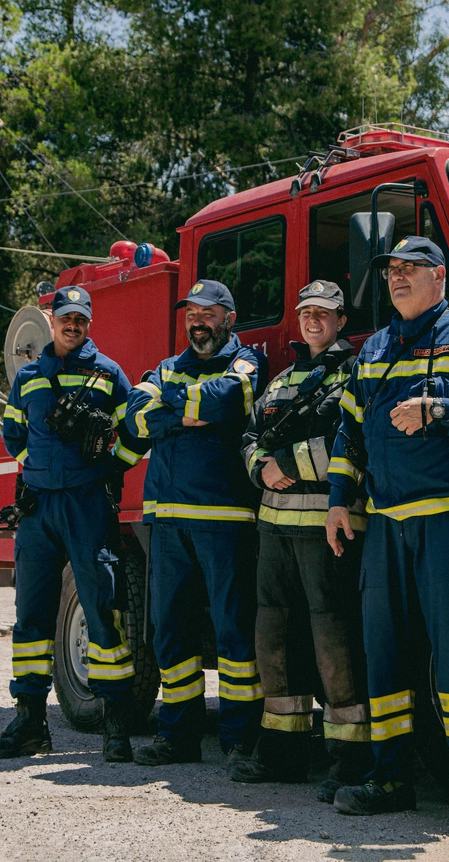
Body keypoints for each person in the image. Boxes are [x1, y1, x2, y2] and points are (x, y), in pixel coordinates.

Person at [325, 236, 449, 835]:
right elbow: (349, 428)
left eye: (411, 270)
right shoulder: (376, 346)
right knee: (382, 655)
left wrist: (439, 410)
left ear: (439, 278)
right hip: (385, 523)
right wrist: (339, 500)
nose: (397, 279)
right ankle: (389, 779)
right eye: (391, 271)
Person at [0, 286, 148, 762]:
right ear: (51, 321)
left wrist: (109, 465)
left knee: (102, 608)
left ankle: (115, 725)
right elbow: (13, 433)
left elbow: (137, 433)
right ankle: (30, 722)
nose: (72, 326)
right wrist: (36, 467)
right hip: (38, 507)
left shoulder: (109, 374)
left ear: (89, 324)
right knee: (31, 616)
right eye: (65, 319)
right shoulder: (30, 376)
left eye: (80, 319)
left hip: (86, 505)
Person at [233, 280, 372, 802]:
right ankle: (283, 750)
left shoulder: (353, 373)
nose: (313, 320)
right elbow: (248, 437)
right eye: (306, 311)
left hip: (328, 525)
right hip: (275, 526)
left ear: (340, 321)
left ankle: (349, 756)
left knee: (333, 639)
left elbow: (352, 438)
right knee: (273, 635)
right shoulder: (282, 380)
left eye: (324, 313)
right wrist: (260, 469)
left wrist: (287, 463)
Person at [124, 279, 267, 770]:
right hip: (167, 520)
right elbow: (134, 416)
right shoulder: (167, 366)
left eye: (208, 313)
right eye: (191, 313)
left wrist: (171, 409)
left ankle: (239, 739)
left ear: (228, 317)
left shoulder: (245, 361)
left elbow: (228, 399)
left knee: (233, 634)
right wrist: (187, 413)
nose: (197, 321)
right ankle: (178, 735)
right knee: (170, 631)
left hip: (224, 520)